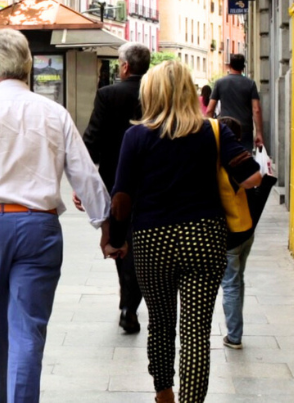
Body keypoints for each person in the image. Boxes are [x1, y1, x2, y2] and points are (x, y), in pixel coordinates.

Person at [0, 29, 110, 403]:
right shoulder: (54, 113)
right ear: (26, 68)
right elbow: (86, 174)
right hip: (38, 228)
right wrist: (104, 226)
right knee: (28, 329)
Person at [104, 61, 261, 403]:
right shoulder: (214, 131)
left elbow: (121, 199)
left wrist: (115, 240)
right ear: (190, 93)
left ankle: (164, 394)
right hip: (203, 237)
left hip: (152, 240)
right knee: (196, 332)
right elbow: (252, 176)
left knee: (160, 323)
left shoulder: (136, 136)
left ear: (151, 94)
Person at [78, 41, 151, 334]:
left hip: (116, 182)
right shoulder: (155, 92)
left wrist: (84, 182)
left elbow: (92, 139)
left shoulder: (108, 94)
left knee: (121, 241)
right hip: (152, 181)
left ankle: (127, 303)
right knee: (142, 243)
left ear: (124, 66)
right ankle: (130, 304)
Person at [217, 117, 255, 351]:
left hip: (229, 232)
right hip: (247, 228)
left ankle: (234, 336)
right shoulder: (240, 162)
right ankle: (236, 330)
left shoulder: (217, 164)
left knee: (230, 283)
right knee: (238, 279)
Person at [205, 53, 264, 152]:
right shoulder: (250, 84)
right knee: (245, 160)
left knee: (226, 160)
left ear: (230, 65)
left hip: (225, 128)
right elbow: (256, 110)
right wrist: (259, 133)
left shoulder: (220, 83)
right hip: (245, 129)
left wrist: (208, 132)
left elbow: (209, 110)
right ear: (243, 67)